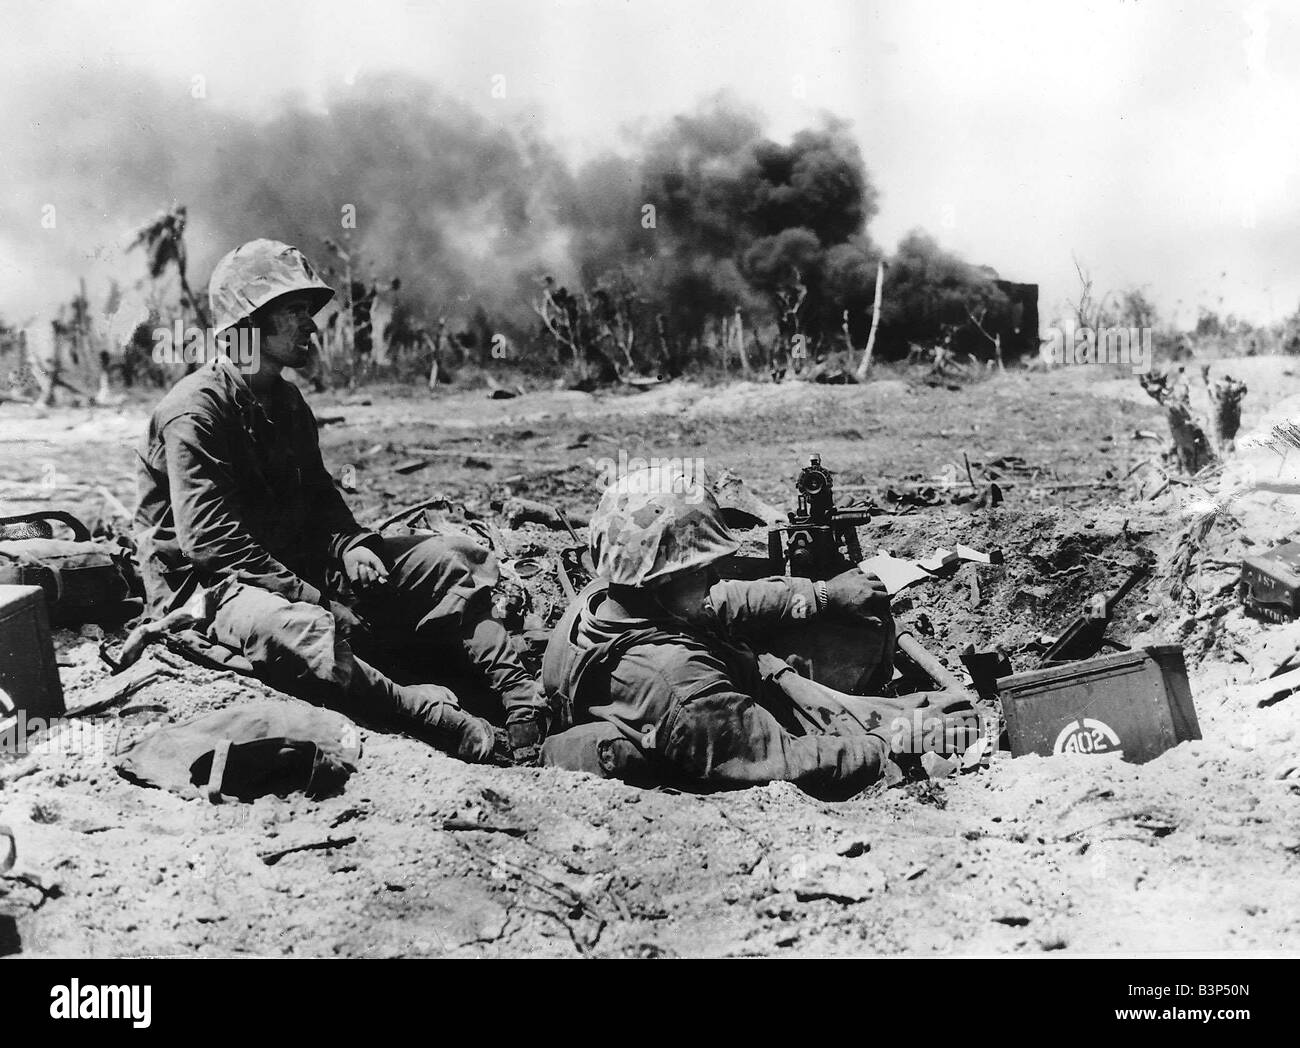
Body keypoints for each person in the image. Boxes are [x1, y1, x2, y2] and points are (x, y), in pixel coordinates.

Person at [134, 239, 547, 764]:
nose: (310, 325)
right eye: (293, 311)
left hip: (289, 566)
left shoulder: (286, 400)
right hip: (210, 590)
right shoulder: (195, 412)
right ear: (248, 323)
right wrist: (317, 599)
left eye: (307, 311)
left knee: (444, 558)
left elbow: (318, 498)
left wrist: (350, 544)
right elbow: (213, 546)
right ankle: (424, 713)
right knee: (292, 628)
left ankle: (521, 698)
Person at [540, 465, 972, 795]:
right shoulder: (681, 684)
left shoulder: (602, 601)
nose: (715, 577)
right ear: (664, 579)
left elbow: (725, 601)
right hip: (732, 732)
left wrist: (822, 595)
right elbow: (788, 762)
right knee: (946, 721)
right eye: (701, 569)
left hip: (700, 711)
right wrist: (887, 744)